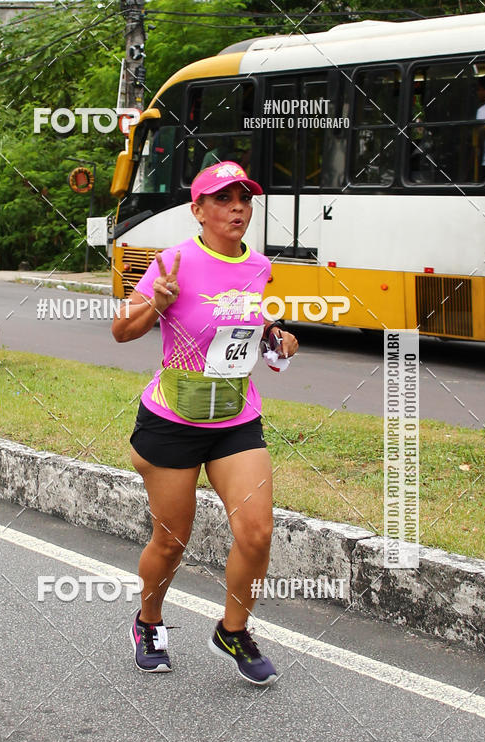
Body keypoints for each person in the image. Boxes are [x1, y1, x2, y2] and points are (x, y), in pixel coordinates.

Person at [112, 161, 298, 686]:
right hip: (174, 417)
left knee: (257, 531)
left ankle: (232, 631)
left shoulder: (258, 266)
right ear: (198, 210)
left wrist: (276, 338)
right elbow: (122, 330)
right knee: (172, 540)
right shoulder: (172, 261)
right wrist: (156, 306)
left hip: (235, 415)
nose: (237, 207)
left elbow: (248, 326)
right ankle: (148, 621)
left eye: (244, 198)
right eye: (223, 199)